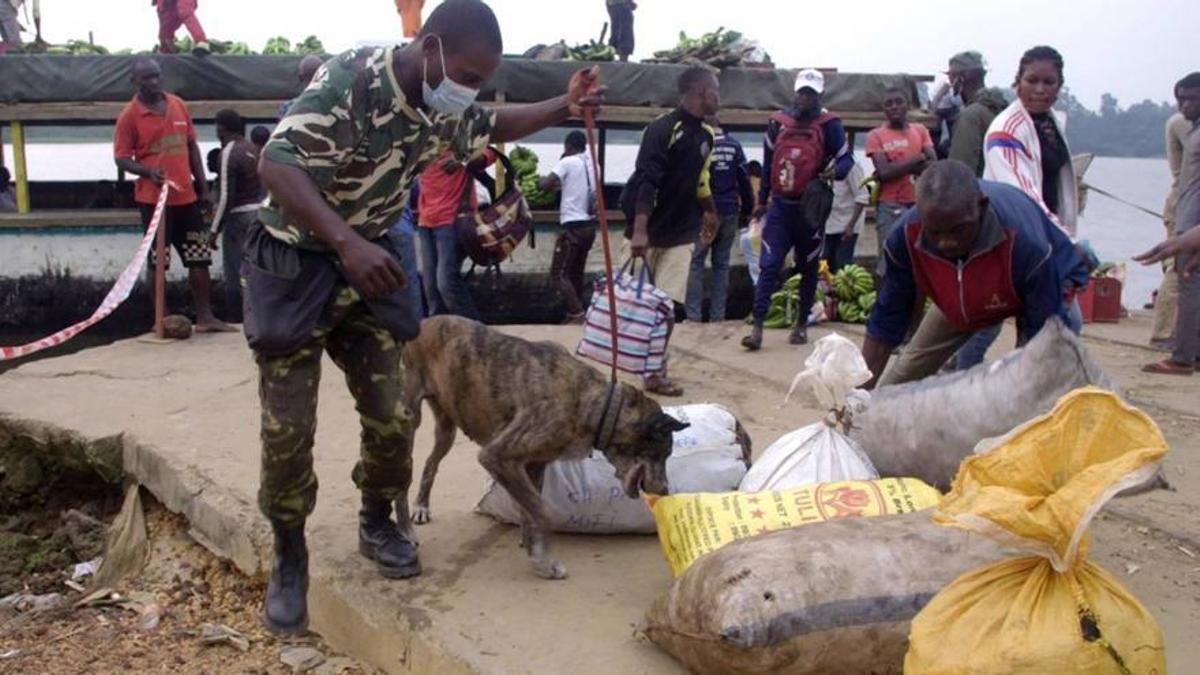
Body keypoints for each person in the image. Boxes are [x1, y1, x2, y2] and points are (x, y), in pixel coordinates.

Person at [249, 0, 601, 634]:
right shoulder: (352, 78)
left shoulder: (445, 107)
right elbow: (276, 163)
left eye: (477, 80)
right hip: (297, 260)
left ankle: (378, 519)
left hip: (370, 264)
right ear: (430, 46)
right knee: (287, 430)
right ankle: (289, 551)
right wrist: (345, 243)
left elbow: (493, 124)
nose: (468, 90)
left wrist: (563, 105)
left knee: (392, 416)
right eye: (465, 74)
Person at [861, 161, 1087, 389]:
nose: (946, 242)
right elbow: (886, 322)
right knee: (902, 377)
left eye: (959, 229)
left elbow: (1042, 335)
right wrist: (855, 399)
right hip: (962, 290)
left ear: (981, 206)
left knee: (1032, 383)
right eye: (935, 233)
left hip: (1038, 286)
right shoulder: (904, 237)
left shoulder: (1027, 245)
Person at [964, 46, 1082, 371]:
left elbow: (1055, 182)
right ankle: (964, 379)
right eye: (1032, 81)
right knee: (993, 320)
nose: (1040, 90)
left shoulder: (1050, 125)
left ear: (1060, 86)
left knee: (1055, 321)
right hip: (1012, 236)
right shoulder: (1006, 131)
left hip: (1042, 235)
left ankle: (1022, 381)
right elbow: (1024, 195)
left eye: (1049, 82)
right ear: (1018, 82)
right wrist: (1067, 245)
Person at [621, 66, 720, 395]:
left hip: (680, 236)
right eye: (715, 91)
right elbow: (647, 180)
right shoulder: (663, 129)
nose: (718, 97)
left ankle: (654, 372)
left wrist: (710, 213)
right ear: (702, 92)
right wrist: (639, 231)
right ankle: (621, 366)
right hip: (645, 233)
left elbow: (701, 181)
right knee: (632, 306)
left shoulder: (708, 136)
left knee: (665, 310)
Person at [113, 58, 232, 333]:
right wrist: (146, 171)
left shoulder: (177, 104)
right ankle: (161, 317)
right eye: (146, 78)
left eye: (156, 76)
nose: (153, 82)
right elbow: (121, 158)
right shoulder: (129, 116)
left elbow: (192, 147)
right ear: (135, 82)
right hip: (154, 202)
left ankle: (205, 316)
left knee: (199, 256)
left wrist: (203, 188)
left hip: (186, 198)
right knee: (158, 260)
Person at [743, 68, 854, 350]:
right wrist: (761, 202)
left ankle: (801, 324)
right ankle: (757, 328)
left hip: (810, 209)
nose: (806, 97)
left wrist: (831, 174)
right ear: (795, 92)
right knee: (769, 265)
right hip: (781, 206)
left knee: (808, 267)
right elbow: (768, 164)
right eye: (802, 92)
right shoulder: (778, 123)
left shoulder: (831, 124)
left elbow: (846, 161)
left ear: (820, 95)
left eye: (811, 93)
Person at [1143, 72, 1200, 376]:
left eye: (1192, 98)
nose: (1185, 105)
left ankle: (1181, 358)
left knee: (1187, 283)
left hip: (1193, 221)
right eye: (1180, 99)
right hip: (1186, 214)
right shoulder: (1188, 130)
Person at [416, 147, 497, 320]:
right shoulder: (422, 143)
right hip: (426, 220)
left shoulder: (461, 140)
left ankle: (475, 333)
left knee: (446, 283)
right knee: (430, 286)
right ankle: (439, 335)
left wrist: (462, 158)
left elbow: (490, 153)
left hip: (453, 221)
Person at [686, 115, 752, 322]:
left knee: (696, 262)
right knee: (721, 264)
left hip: (707, 213)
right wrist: (748, 210)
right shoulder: (735, 146)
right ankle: (718, 316)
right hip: (731, 210)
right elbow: (744, 180)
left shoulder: (703, 144)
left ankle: (694, 315)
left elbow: (694, 180)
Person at [866, 86, 936, 278]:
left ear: (907, 105)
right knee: (888, 259)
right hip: (889, 205)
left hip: (918, 203)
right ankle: (885, 305)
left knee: (920, 256)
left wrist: (896, 165)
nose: (894, 107)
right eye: (889, 104)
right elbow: (884, 172)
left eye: (899, 102)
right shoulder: (876, 136)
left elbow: (932, 165)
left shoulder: (920, 130)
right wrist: (916, 158)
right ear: (884, 109)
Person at [209, 109, 263, 324]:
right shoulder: (253, 149)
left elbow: (225, 196)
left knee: (234, 270)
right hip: (258, 214)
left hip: (238, 218)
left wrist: (214, 230)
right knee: (256, 268)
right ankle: (258, 315)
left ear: (221, 128)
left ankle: (236, 317)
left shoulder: (229, 152)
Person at [539, 130, 597, 323]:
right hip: (589, 227)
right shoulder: (593, 164)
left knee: (559, 274)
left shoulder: (567, 161)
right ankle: (576, 312)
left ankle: (577, 314)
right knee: (575, 273)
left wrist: (537, 181)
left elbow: (545, 185)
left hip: (573, 227)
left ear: (568, 147)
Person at [1150, 110, 1194, 350]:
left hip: (1187, 203)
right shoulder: (1182, 123)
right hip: (1184, 206)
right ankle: (1164, 333)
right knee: (1179, 269)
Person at [945, 51, 1009, 177]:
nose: (950, 83)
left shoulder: (971, 116)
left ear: (959, 79)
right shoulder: (1002, 108)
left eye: (951, 77)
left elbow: (960, 173)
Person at [822, 160, 869, 272]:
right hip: (829, 225)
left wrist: (850, 226)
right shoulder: (823, 164)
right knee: (825, 264)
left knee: (842, 265)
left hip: (846, 224)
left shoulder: (851, 167)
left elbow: (862, 197)